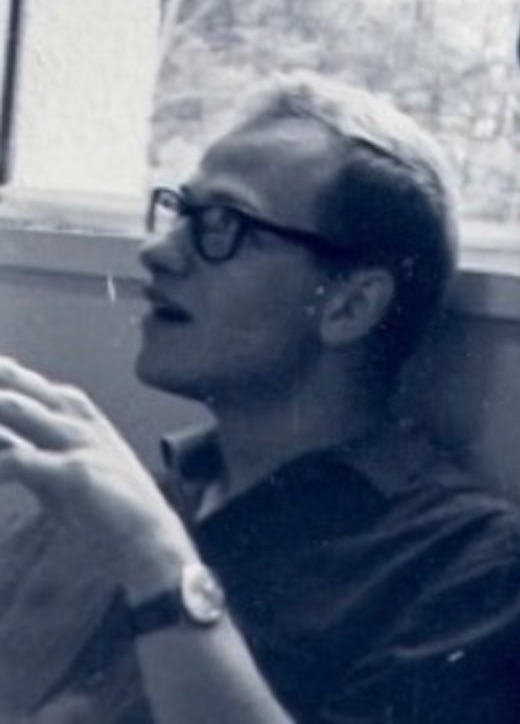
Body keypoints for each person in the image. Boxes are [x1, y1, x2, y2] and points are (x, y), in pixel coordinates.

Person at [0, 71, 520, 724]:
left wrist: (153, 556)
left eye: (224, 224)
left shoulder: (468, 567)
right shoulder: (116, 501)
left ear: (350, 305)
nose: (157, 251)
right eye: (180, 213)